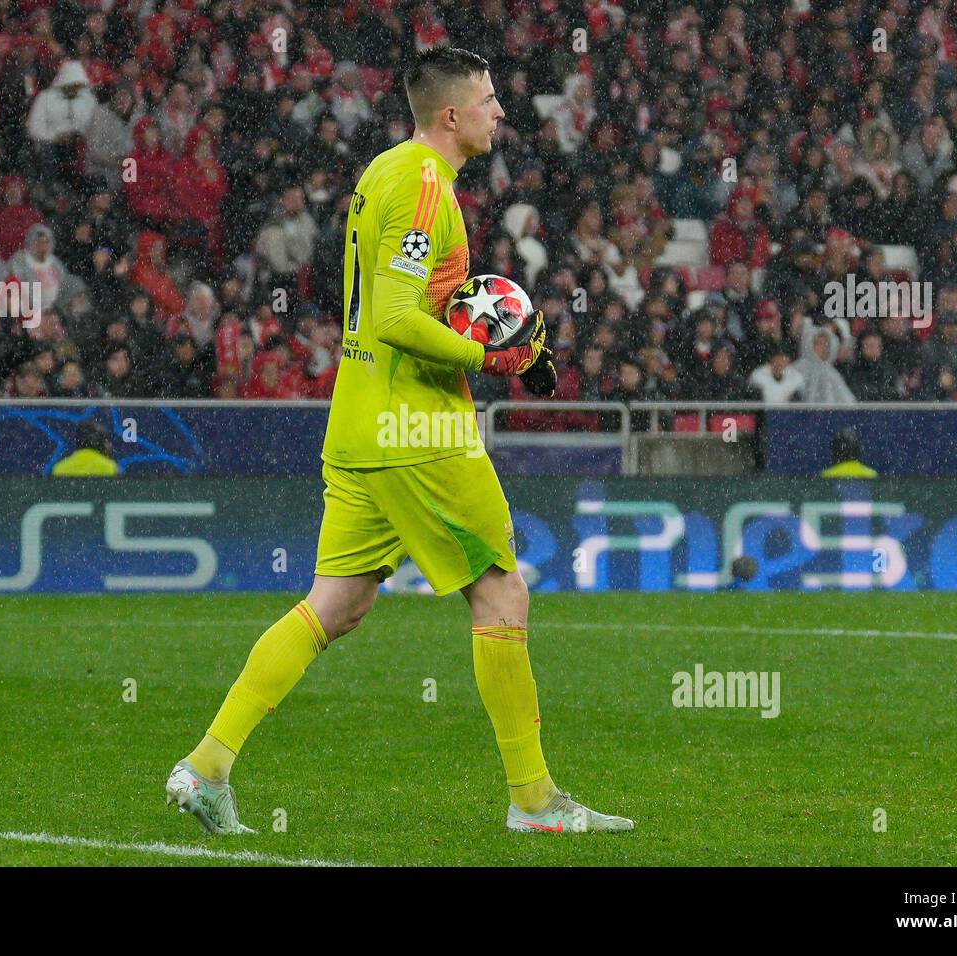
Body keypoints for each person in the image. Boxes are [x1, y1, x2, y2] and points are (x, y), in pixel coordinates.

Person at [167, 47, 630, 836]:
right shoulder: (424, 188)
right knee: (500, 592)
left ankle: (207, 766)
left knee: (336, 604)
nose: (499, 111)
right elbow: (396, 317)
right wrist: (490, 356)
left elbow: (398, 303)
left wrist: (486, 321)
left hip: (357, 419)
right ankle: (534, 801)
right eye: (488, 100)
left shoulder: (386, 171)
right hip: (417, 427)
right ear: (451, 114)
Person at [51, 421, 119, 476]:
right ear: (100, 443)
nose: (110, 445)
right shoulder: (110, 468)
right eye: (106, 440)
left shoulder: (59, 468)